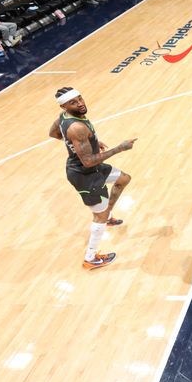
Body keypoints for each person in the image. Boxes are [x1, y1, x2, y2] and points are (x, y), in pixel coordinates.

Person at [48, 88, 136, 269]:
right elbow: (87, 161)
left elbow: (54, 133)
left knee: (124, 179)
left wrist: (90, 143)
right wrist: (120, 147)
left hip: (92, 168)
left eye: (80, 98)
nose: (80, 103)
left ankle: (107, 214)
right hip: (85, 175)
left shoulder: (63, 117)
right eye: (73, 102)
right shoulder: (76, 127)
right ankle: (91, 258)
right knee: (98, 216)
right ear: (64, 105)